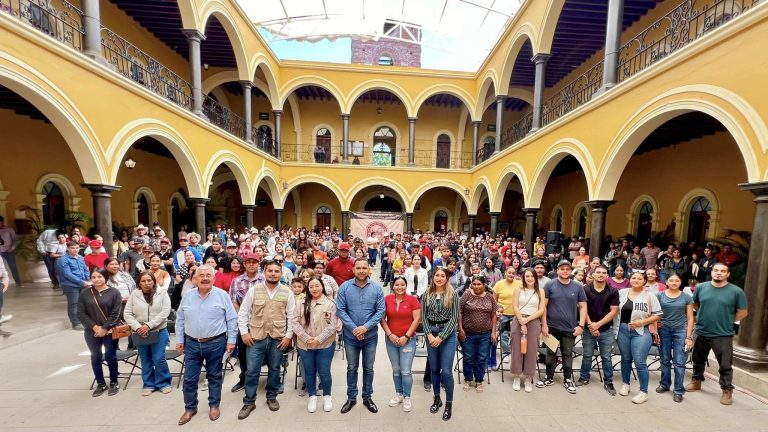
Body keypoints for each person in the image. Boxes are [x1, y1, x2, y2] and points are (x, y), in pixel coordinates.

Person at [175, 264, 238, 426]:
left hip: (216, 343)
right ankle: (190, 408)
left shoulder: (222, 295)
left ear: (213, 278)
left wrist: (231, 340)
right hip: (192, 344)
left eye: (208, 275)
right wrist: (180, 340)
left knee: (214, 377)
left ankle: (214, 405)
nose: (204, 278)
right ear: (194, 279)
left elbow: (231, 319)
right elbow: (180, 319)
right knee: (189, 379)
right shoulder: (188, 296)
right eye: (201, 275)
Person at [236, 260, 295, 419]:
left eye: (277, 271)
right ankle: (249, 401)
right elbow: (243, 313)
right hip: (256, 338)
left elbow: (292, 316)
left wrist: (288, 336)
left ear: (281, 273)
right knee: (252, 370)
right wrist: (244, 332)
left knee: (275, 369)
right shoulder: (254, 290)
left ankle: (271, 396)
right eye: (270, 271)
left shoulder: (287, 292)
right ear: (265, 272)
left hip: (278, 338)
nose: (273, 274)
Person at [686, 263, 748, 405]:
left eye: (722, 271)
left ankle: (726, 390)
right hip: (701, 330)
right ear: (712, 272)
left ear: (727, 274)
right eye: (716, 270)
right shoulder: (701, 287)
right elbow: (695, 304)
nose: (718, 273)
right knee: (697, 359)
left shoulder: (736, 291)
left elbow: (743, 312)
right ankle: (697, 380)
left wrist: (727, 319)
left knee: (725, 364)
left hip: (722, 334)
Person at [335, 258, 385, 415]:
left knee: (368, 368)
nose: (362, 270)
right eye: (359, 268)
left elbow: (380, 311)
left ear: (369, 269)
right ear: (353, 269)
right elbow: (340, 310)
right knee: (352, 367)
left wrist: (365, 328)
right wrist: (355, 329)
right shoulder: (344, 287)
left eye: (364, 268)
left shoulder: (377, 288)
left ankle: (367, 397)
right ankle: (351, 397)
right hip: (350, 336)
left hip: (370, 336)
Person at [536, 260, 587, 394]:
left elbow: (583, 307)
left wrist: (581, 325)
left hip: (570, 328)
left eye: (567, 269)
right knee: (550, 353)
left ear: (571, 271)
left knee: (567, 353)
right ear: (557, 270)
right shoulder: (550, 284)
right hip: (551, 327)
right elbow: (544, 307)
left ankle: (568, 379)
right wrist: (544, 325)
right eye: (562, 269)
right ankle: (549, 377)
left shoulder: (578, 287)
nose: (565, 271)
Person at [290, 276, 338, 413]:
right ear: (308, 288)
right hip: (305, 345)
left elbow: (334, 324)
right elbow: (294, 321)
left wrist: (319, 338)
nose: (314, 289)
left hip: (325, 345)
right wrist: (306, 338)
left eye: (317, 286)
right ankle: (312, 396)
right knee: (309, 372)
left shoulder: (330, 303)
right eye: (311, 286)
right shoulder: (300, 303)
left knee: (324, 372)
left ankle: (327, 396)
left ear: (322, 286)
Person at [124, 271, 172, 395]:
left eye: (149, 280)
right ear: (139, 283)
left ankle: (163, 382)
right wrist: (138, 327)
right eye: (143, 281)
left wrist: (149, 325)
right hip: (140, 332)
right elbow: (127, 314)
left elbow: (165, 312)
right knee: (145, 360)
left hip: (159, 331)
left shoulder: (162, 292)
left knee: (159, 359)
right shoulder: (134, 294)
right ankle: (149, 384)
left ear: (153, 281)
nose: (146, 283)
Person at [617, 271, 662, 404]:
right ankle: (626, 384)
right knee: (625, 359)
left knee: (640, 362)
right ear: (630, 279)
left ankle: (643, 392)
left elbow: (658, 314)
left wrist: (641, 322)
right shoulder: (622, 293)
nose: (636, 280)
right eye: (634, 278)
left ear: (644, 281)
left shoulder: (650, 296)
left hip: (641, 331)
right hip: (623, 330)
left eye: (639, 278)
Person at [420, 267, 459, 421]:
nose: (439, 278)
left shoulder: (453, 294)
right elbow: (423, 317)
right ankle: (437, 398)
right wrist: (429, 335)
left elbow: (455, 317)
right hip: (431, 333)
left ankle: (449, 403)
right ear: (433, 277)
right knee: (434, 369)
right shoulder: (426, 295)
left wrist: (441, 337)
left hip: (447, 335)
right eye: (437, 275)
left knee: (447, 371)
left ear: (447, 278)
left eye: (443, 276)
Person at [77, 268, 121, 396]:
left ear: (105, 278)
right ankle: (100, 383)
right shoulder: (85, 293)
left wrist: (105, 328)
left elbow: (116, 314)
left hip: (110, 330)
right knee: (95, 356)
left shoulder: (114, 292)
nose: (96, 279)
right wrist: (95, 327)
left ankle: (114, 382)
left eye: (99, 277)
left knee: (110, 356)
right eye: (94, 277)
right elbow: (81, 313)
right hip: (91, 332)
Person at [577, 265, 619, 394]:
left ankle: (608, 382)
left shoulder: (613, 291)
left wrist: (598, 325)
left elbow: (613, 312)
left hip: (606, 330)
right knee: (587, 355)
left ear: (607, 276)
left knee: (606, 357)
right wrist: (591, 325)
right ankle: (584, 378)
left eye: (604, 273)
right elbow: (582, 309)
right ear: (593, 275)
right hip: (588, 329)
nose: (601, 275)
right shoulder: (585, 290)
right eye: (598, 272)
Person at [380, 276, 420, 413]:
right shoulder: (387, 299)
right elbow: (382, 318)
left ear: (406, 286)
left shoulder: (412, 300)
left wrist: (406, 336)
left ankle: (407, 396)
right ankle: (399, 394)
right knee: (396, 369)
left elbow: (417, 320)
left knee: (406, 370)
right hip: (391, 340)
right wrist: (390, 334)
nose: (399, 287)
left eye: (402, 285)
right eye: (397, 284)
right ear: (393, 285)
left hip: (408, 340)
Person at [656, 272, 694, 402]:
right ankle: (665, 384)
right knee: (665, 359)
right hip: (664, 329)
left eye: (677, 281)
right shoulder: (659, 295)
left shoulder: (687, 297)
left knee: (679, 361)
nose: (674, 283)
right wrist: (656, 329)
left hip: (681, 330)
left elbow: (690, 317)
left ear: (680, 282)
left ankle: (678, 390)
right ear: (666, 282)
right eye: (671, 280)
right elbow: (655, 314)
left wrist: (689, 337)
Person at [458, 275, 497, 392]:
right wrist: (460, 329)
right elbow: (459, 312)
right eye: (474, 284)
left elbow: (494, 314)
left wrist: (493, 332)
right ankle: (468, 379)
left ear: (484, 285)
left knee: (481, 358)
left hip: (485, 334)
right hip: (468, 334)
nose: (476, 286)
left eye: (479, 284)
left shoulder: (490, 297)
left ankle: (479, 380)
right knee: (468, 357)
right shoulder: (466, 295)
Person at [510, 269, 546, 392]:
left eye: (532, 276)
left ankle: (528, 378)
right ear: (523, 277)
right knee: (517, 349)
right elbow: (514, 306)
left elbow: (541, 309)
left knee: (531, 351)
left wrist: (528, 320)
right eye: (527, 276)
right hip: (518, 320)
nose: (529, 278)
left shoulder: (540, 291)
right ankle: (516, 376)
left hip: (534, 321)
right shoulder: (518, 289)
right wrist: (521, 321)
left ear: (535, 277)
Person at [56, 241, 90, 329]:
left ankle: (83, 320)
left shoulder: (80, 257)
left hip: (83, 283)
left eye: (77, 248)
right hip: (70, 285)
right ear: (68, 249)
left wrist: (88, 279)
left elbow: (85, 269)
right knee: (74, 304)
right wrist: (82, 282)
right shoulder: (63, 260)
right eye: (73, 248)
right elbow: (67, 274)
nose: (75, 250)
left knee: (83, 303)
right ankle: (76, 323)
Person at [493, 266, 520, 367]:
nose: (511, 275)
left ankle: (515, 352)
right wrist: (496, 312)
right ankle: (506, 353)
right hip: (503, 314)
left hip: (515, 314)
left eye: (513, 273)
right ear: (505, 273)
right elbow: (494, 300)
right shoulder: (499, 284)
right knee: (504, 334)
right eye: (509, 273)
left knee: (514, 334)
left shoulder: (519, 284)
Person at [0, 216, 22, 287]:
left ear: (2, 222)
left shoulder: (9, 229)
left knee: (13, 267)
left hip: (9, 251)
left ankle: (18, 283)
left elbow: (15, 240)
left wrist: (12, 248)